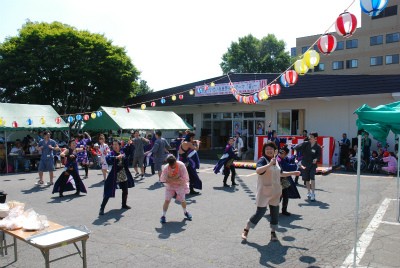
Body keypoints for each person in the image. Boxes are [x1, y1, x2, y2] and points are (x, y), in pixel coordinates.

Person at [241, 142, 300, 241]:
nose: (269, 150)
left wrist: (294, 173)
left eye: (271, 149)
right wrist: (269, 164)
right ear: (264, 151)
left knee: (275, 213)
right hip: (264, 191)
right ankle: (246, 229)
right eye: (267, 149)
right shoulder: (262, 160)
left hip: (276, 192)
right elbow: (258, 171)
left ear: (274, 150)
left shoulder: (275, 161)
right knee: (260, 212)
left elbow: (280, 173)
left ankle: (273, 233)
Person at [99, 140, 135, 215]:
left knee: (125, 190)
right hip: (114, 175)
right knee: (108, 191)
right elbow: (108, 158)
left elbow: (129, 150)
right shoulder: (111, 153)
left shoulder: (122, 151)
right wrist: (116, 157)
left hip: (123, 174)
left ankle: (124, 204)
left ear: (119, 145)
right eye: (113, 144)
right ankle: (102, 208)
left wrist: (130, 144)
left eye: (116, 144)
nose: (114, 146)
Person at [159, 154, 192, 223]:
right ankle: (163, 216)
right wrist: (176, 178)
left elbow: (185, 178)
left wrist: (171, 178)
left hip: (180, 185)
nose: (172, 166)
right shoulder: (166, 167)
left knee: (183, 200)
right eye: (170, 165)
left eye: (173, 164)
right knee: (167, 200)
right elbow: (163, 179)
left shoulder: (181, 165)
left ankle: (186, 212)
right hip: (170, 186)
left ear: (175, 161)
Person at [294, 132, 321, 201]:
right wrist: (295, 157)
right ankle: (308, 191)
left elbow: (319, 156)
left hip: (313, 165)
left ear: (315, 138)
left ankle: (313, 193)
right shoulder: (305, 143)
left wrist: (316, 159)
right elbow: (295, 148)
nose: (310, 138)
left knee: (312, 177)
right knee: (307, 179)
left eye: (311, 137)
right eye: (309, 136)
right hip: (305, 164)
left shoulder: (318, 147)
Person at [276, 145, 301, 216]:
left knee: (285, 195)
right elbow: (287, 167)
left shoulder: (283, 158)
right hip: (277, 180)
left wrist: (295, 152)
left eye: (282, 153)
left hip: (284, 180)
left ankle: (284, 210)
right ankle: (274, 210)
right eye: (280, 152)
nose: (281, 153)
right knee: (278, 197)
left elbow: (290, 159)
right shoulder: (278, 160)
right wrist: (296, 164)